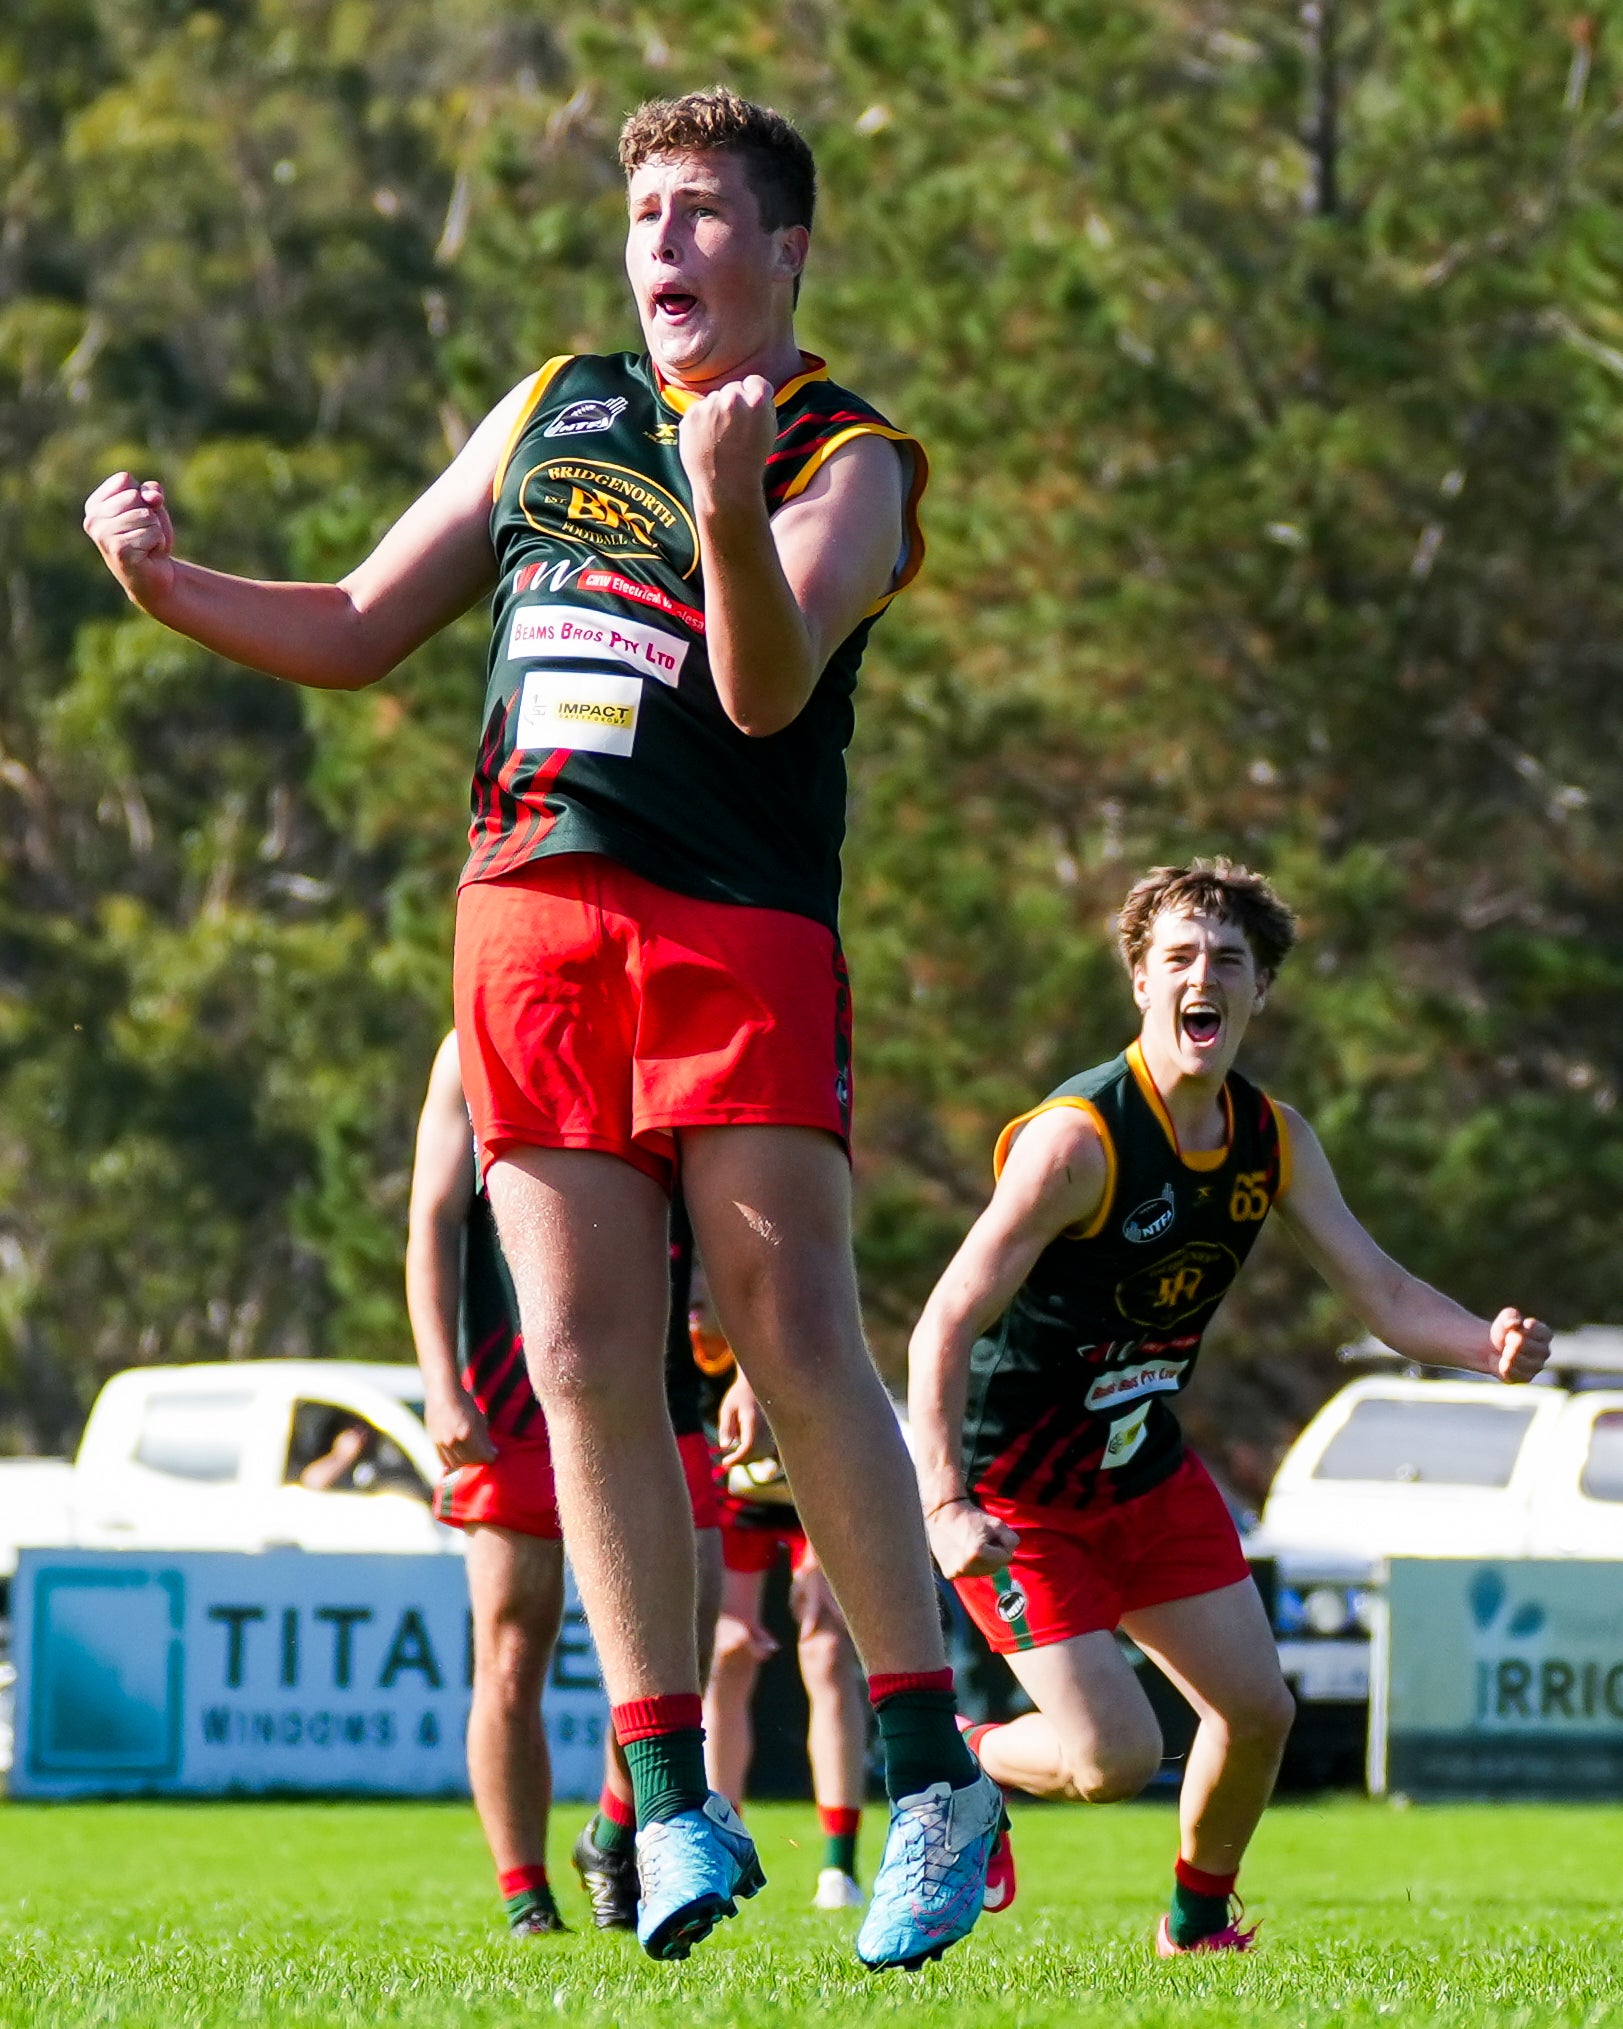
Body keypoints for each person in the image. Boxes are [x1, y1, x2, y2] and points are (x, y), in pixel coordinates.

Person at [84, 86, 997, 1969]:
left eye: (702, 216)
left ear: (785, 248)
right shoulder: (553, 403)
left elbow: (758, 691)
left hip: (733, 925)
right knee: (579, 1355)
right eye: (643, 214)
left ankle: (932, 1770)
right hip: (530, 913)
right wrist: (169, 591)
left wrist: (732, 507)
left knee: (790, 1326)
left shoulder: (851, 456)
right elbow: (352, 620)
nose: (662, 248)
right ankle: (667, 1797)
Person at [908, 860, 1552, 1954]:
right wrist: (942, 1502)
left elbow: (1386, 1293)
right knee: (1111, 1763)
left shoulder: (1273, 1139)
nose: (1202, 977)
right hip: (1027, 1498)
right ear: (1141, 983)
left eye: (1228, 962)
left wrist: (1487, 1348)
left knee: (1258, 1714)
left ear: (1263, 992)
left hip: (1147, 1473)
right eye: (1179, 958)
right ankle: (953, 1754)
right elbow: (943, 1323)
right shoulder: (1080, 1143)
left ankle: (1195, 1925)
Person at [408, 1033, 724, 1937]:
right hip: (510, 1391)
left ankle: (615, 1828)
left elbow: (717, 1211)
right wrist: (439, 1383)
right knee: (515, 1643)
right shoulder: (473, 1043)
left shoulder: (665, 1024)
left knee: (685, 1635)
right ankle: (525, 1896)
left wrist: (743, 1369)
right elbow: (433, 1220)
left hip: (659, 1391)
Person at [703, 1356, 869, 1912]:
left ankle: (838, 1866)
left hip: (812, 1486)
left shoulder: (768, 1310)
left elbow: (836, 1417)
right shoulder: (668, 1331)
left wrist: (825, 1549)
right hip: (726, 1499)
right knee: (727, 1658)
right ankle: (720, 1853)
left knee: (826, 1651)